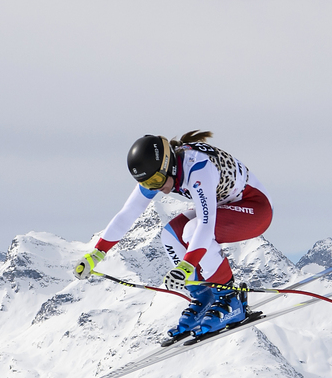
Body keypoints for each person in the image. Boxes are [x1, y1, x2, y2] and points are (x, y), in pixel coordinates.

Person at [73, 131, 273, 341]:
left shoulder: (197, 168)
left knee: (191, 230)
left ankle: (230, 300)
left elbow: (206, 225)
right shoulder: (159, 173)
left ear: (169, 164)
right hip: (227, 205)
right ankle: (205, 297)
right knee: (170, 235)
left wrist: (186, 266)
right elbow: (127, 213)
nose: (158, 188)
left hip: (255, 209)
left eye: (158, 180)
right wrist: (96, 255)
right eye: (149, 184)